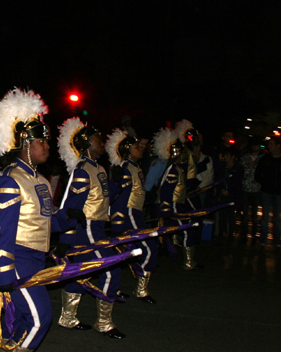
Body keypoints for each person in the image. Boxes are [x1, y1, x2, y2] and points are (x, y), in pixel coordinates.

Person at [0, 88, 82, 352]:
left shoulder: (38, 179)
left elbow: (44, 220)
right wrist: (2, 273)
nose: (47, 146)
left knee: (26, 319)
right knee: (41, 317)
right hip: (16, 259)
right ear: (25, 144)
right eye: (41, 141)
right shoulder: (10, 179)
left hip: (37, 258)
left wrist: (67, 219)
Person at [57, 117, 125, 339]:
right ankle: (104, 323)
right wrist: (65, 241)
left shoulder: (100, 168)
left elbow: (104, 200)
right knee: (111, 269)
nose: (102, 142)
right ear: (87, 143)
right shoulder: (83, 170)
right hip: (85, 230)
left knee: (79, 273)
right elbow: (71, 207)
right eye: (98, 138)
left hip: (97, 229)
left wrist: (117, 184)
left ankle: (68, 318)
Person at [107, 128, 157, 303]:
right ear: (128, 149)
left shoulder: (136, 167)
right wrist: (118, 223)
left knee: (124, 253)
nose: (141, 149)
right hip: (128, 215)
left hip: (135, 214)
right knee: (149, 247)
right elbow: (119, 198)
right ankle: (140, 290)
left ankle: (117, 287)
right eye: (137, 146)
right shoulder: (127, 168)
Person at [154, 128, 198, 269]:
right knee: (186, 231)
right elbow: (167, 191)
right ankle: (188, 262)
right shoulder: (174, 170)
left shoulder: (178, 168)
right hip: (173, 206)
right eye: (183, 152)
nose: (186, 154)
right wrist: (167, 211)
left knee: (185, 229)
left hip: (177, 205)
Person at [254, 137, 281, 248]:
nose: (269, 146)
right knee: (265, 217)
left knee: (277, 217)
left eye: (272, 144)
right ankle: (263, 239)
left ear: (278, 146)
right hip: (267, 191)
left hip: (279, 192)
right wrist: (265, 183)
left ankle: (277, 241)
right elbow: (258, 174)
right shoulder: (266, 159)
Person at [215, 147, 244, 245]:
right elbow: (217, 180)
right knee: (222, 216)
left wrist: (230, 191)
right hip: (223, 195)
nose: (225, 157)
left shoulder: (238, 168)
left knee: (231, 216)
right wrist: (221, 189)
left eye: (227, 155)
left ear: (233, 157)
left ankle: (230, 235)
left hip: (233, 196)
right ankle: (221, 235)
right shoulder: (222, 167)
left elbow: (238, 183)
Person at [240, 137, 263, 241]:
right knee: (245, 215)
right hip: (245, 189)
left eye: (257, 145)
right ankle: (244, 235)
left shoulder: (263, 158)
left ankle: (254, 235)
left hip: (257, 190)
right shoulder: (245, 157)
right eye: (254, 145)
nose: (255, 147)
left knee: (255, 216)